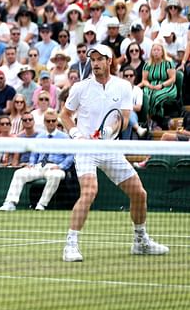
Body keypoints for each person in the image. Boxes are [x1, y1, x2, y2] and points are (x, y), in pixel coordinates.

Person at [60, 44, 168, 262]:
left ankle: (140, 241)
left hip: (110, 148)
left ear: (109, 61)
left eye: (100, 59)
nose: (96, 63)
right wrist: (75, 134)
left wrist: (110, 130)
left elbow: (125, 118)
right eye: (93, 59)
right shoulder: (80, 88)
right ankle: (70, 245)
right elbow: (65, 115)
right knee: (90, 192)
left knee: (139, 193)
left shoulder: (123, 87)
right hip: (86, 149)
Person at [0, 109, 74, 211]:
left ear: (57, 121)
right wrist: (31, 163)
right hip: (39, 166)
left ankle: (41, 204)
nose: (51, 123)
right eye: (48, 121)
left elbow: (70, 156)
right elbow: (34, 154)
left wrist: (60, 166)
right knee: (19, 173)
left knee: (56, 175)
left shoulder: (65, 137)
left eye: (53, 121)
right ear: (44, 122)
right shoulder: (40, 136)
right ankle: (10, 203)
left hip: (55, 167)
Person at [139, 40, 177, 128]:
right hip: (151, 85)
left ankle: (156, 120)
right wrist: (149, 85)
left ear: (162, 52)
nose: (156, 52)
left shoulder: (168, 63)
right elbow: (144, 80)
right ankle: (147, 120)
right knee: (146, 96)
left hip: (167, 86)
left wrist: (162, 85)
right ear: (151, 52)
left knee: (156, 97)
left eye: (158, 50)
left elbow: (172, 79)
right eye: (154, 50)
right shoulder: (147, 64)